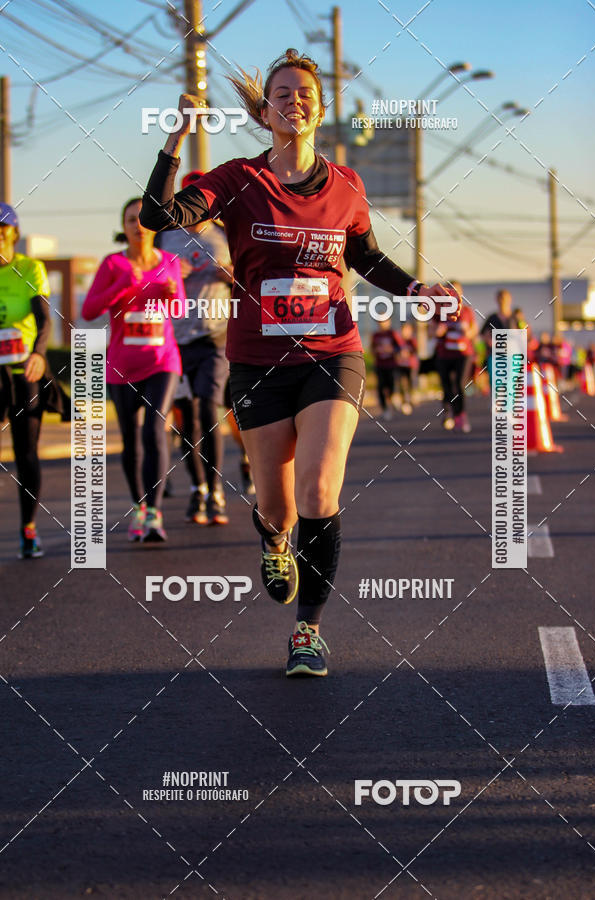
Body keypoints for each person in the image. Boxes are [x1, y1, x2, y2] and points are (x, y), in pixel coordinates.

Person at [140, 48, 459, 676]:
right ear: (265, 111)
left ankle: (307, 631)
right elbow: (158, 219)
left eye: (304, 93)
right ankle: (276, 539)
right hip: (258, 360)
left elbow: (366, 256)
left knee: (319, 488)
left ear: (320, 107)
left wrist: (415, 290)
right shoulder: (237, 180)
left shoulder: (346, 186)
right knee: (277, 506)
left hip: (331, 354)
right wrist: (176, 137)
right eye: (281, 94)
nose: (294, 102)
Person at [82, 198, 184, 542]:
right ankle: (139, 506)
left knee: (155, 429)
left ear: (153, 226)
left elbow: (180, 308)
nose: (138, 226)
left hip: (162, 361)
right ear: (123, 227)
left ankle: (154, 513)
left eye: (143, 219)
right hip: (122, 366)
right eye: (130, 220)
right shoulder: (113, 264)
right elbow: (90, 308)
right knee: (131, 441)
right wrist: (126, 286)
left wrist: (169, 294)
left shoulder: (170, 261)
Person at [158, 170, 233, 525]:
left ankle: (216, 489)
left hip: (215, 336)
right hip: (177, 337)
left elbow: (251, 276)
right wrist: (169, 276)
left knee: (208, 407)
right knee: (187, 417)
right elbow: (151, 281)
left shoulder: (226, 234)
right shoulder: (166, 237)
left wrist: (232, 276)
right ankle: (198, 487)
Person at [0, 202, 51, 558]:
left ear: (13, 234)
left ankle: (28, 530)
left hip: (24, 371)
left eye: (2, 231)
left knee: (25, 454)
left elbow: (44, 319)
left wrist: (38, 353)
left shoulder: (29, 268)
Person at [434, 280, 477, 432]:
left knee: (459, 384)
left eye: (456, 291)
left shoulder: (466, 311)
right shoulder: (439, 311)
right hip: (444, 354)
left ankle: (460, 415)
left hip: (463, 354)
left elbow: (474, 332)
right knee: (446, 385)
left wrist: (467, 332)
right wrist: (439, 331)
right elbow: (431, 332)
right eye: (450, 291)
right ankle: (447, 413)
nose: (453, 294)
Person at [481, 289, 518, 378]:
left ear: (510, 299)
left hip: (511, 356)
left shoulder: (515, 318)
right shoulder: (492, 318)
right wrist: (492, 343)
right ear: (497, 300)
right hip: (494, 356)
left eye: (505, 298)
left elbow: (524, 336)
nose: (503, 301)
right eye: (500, 298)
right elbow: (483, 334)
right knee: (496, 385)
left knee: (510, 385)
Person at [370, 316, 401, 420]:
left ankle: (392, 401)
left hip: (391, 364)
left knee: (391, 385)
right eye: (380, 321)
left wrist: (392, 350)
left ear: (389, 322)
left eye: (384, 321)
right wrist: (377, 351)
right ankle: (385, 409)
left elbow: (399, 347)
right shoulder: (376, 335)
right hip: (380, 365)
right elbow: (372, 349)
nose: (382, 323)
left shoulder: (392, 334)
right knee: (381, 387)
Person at [395, 322, 418, 414]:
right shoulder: (399, 341)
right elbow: (395, 350)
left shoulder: (412, 341)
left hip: (410, 366)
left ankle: (411, 397)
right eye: (404, 330)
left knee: (411, 382)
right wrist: (399, 354)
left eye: (408, 330)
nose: (406, 332)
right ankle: (404, 401)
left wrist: (408, 353)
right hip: (401, 365)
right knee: (401, 383)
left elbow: (415, 350)